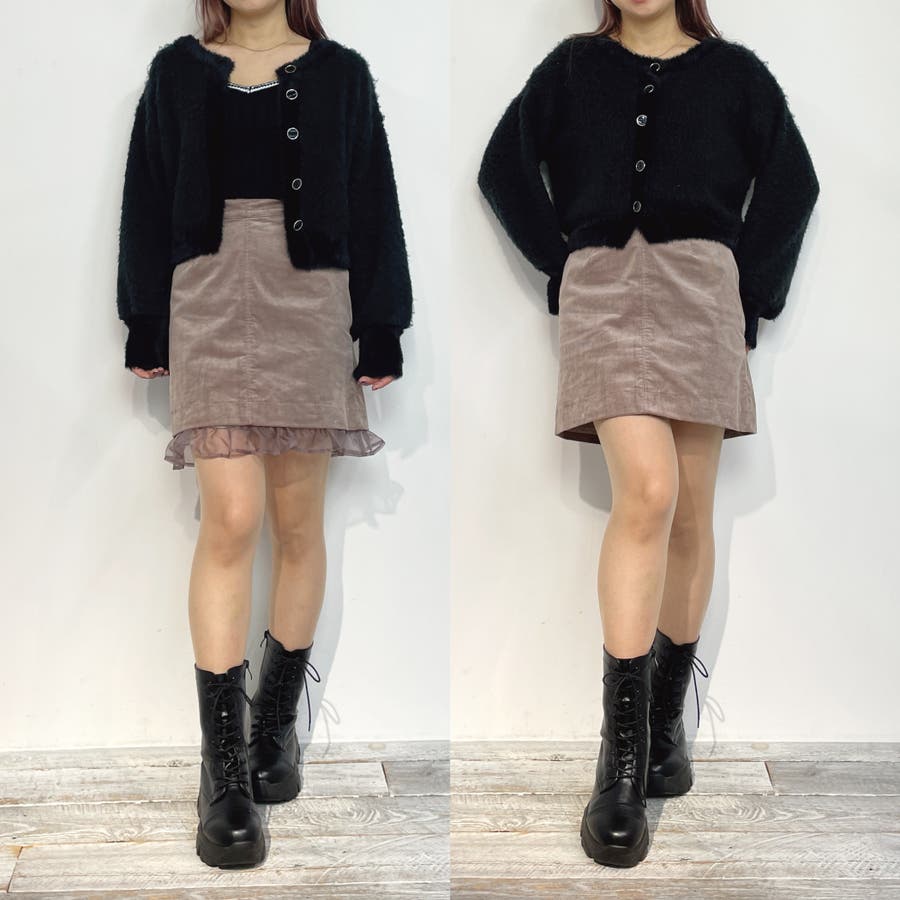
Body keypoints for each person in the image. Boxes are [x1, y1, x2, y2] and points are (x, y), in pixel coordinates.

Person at [477, 0, 819, 868]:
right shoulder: (571, 68)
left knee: (692, 512)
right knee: (650, 491)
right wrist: (564, 262)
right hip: (604, 294)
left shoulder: (735, 74)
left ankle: (666, 725)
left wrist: (751, 292)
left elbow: (794, 182)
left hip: (703, 293)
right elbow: (502, 165)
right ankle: (621, 761)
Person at [116, 0, 413, 869]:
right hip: (207, 296)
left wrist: (382, 323)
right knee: (232, 517)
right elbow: (146, 192)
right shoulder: (177, 71)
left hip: (312, 297)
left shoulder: (341, 74)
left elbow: (373, 195)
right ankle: (223, 770)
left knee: (295, 522)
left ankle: (272, 725)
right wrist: (144, 316)